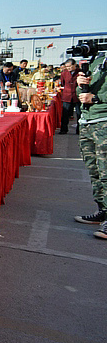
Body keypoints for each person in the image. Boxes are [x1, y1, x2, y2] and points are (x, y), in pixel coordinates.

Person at [73, 56, 107, 233]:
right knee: (94, 171)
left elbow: (97, 96)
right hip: (87, 122)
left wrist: (96, 98)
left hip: (104, 122)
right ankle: (103, 210)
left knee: (106, 172)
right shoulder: (98, 60)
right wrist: (81, 82)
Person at [59, 59, 81, 135]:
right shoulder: (64, 73)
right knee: (65, 114)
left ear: (74, 65)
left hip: (77, 96)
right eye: (66, 66)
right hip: (67, 95)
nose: (68, 68)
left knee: (79, 114)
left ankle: (79, 130)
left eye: (69, 66)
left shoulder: (80, 72)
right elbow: (62, 83)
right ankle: (64, 130)